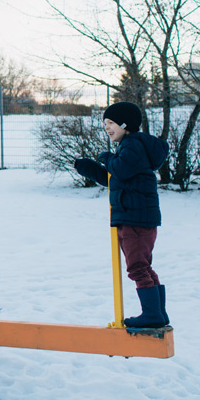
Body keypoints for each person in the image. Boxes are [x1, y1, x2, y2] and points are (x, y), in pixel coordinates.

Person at [73, 101, 170, 328]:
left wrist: (106, 157)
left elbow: (120, 169)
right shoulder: (131, 148)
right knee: (143, 266)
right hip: (137, 217)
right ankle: (158, 313)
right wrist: (90, 168)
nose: (107, 128)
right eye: (105, 123)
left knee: (137, 267)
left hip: (134, 219)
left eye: (111, 123)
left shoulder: (132, 145)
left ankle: (153, 314)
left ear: (125, 124)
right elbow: (118, 177)